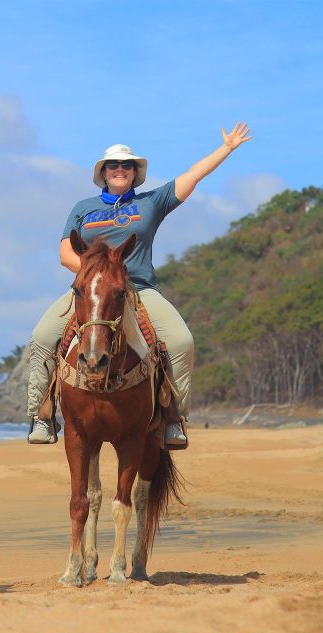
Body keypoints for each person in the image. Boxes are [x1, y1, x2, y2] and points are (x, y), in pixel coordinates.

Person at [27, 123, 252, 445]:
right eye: (114, 165)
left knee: (181, 341)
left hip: (139, 289)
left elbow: (193, 175)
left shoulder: (152, 202)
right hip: (90, 291)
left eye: (127, 165)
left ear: (135, 172)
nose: (121, 169)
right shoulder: (83, 208)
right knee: (41, 338)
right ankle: (41, 416)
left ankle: (174, 417)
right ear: (103, 172)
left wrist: (227, 148)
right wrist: (99, 276)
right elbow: (65, 254)